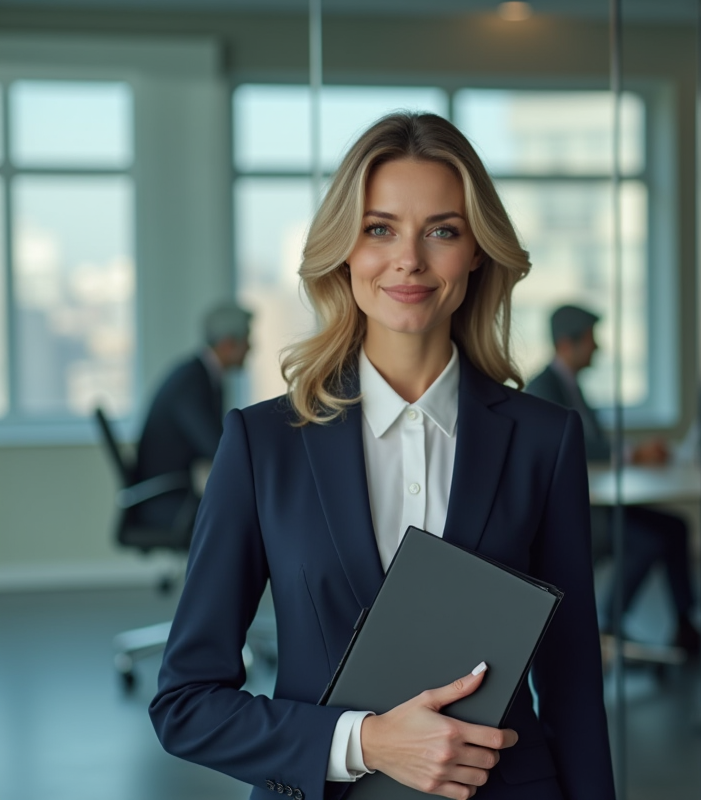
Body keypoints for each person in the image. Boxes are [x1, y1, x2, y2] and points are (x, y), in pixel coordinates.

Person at [150, 114, 614, 800]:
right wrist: (364, 743)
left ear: (477, 251)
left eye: (442, 231)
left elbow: (573, 690)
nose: (410, 259)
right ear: (344, 250)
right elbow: (185, 704)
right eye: (379, 229)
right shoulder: (263, 443)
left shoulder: (545, 440)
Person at [526, 305, 701, 660]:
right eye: (590, 340)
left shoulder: (570, 385)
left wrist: (633, 453)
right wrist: (634, 453)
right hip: (573, 515)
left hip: (593, 501)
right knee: (647, 540)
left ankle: (685, 627)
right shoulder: (545, 387)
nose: (598, 347)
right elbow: (575, 446)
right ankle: (608, 624)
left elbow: (590, 444)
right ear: (566, 344)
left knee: (676, 528)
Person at [131, 302, 252, 530]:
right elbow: (215, 446)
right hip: (166, 501)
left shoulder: (202, 376)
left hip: (175, 493)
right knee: (244, 517)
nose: (252, 347)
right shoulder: (191, 383)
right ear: (228, 344)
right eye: (247, 339)